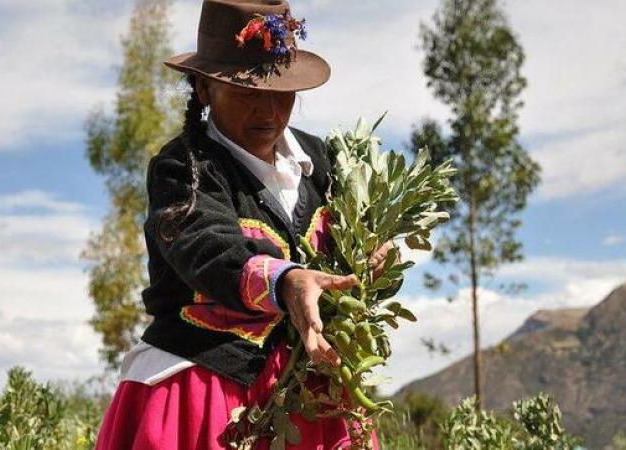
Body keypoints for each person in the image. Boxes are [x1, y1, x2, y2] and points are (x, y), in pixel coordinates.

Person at [94, 1, 398, 448]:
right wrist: (287, 281)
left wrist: (374, 258)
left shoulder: (326, 163)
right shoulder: (183, 169)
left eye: (281, 93)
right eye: (247, 93)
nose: (268, 113)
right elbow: (208, 248)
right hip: (204, 395)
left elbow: (353, 246)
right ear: (203, 89)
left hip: (312, 400)